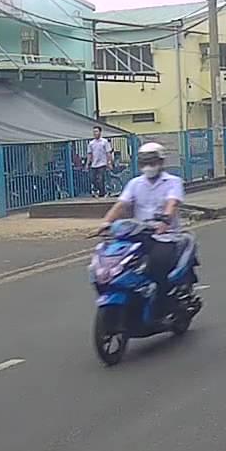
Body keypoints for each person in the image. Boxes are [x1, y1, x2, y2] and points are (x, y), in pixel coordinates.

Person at [99, 142, 186, 316]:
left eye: (152, 162)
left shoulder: (173, 182)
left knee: (157, 264)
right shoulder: (134, 183)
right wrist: (106, 222)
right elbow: (121, 205)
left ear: (161, 162)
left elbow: (172, 203)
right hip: (138, 235)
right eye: (145, 162)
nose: (149, 166)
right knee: (117, 262)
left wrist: (165, 220)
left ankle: (162, 305)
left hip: (166, 236)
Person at [87, 126, 114, 199]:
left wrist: (109, 162)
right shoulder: (91, 143)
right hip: (94, 164)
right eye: (94, 132)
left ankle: (102, 193)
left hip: (102, 163)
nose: (95, 133)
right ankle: (97, 191)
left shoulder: (104, 142)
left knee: (100, 178)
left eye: (96, 131)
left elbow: (108, 153)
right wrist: (87, 163)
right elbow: (89, 154)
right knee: (93, 179)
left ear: (100, 132)